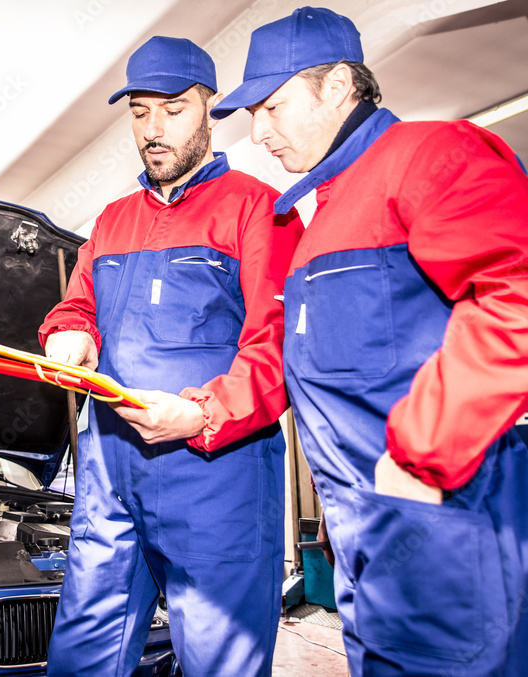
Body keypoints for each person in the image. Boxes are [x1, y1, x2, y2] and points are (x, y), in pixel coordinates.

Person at [211, 7, 528, 676]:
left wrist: (420, 452)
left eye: (274, 106)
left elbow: (516, 293)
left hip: (445, 527)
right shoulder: (317, 217)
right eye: (252, 115)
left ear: (337, 87)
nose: (259, 132)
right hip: (366, 541)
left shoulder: (430, 155)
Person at [39, 35, 303, 676]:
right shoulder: (111, 221)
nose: (153, 130)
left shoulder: (259, 211)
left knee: (219, 659)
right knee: (83, 653)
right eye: (139, 112)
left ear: (209, 109)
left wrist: (203, 416)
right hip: (109, 474)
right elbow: (76, 308)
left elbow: (280, 344)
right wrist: (67, 337)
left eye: (174, 109)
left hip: (216, 480)